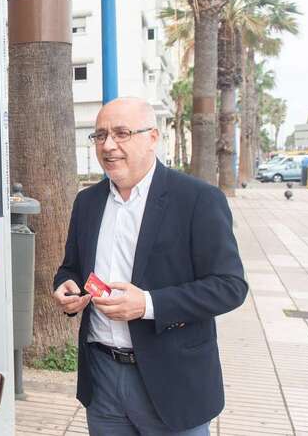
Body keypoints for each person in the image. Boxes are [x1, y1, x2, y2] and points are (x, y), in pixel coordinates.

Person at [53, 97, 247, 435]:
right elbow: (72, 267)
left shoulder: (197, 199)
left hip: (173, 380)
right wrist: (66, 286)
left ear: (153, 137)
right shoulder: (88, 202)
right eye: (99, 136)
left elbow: (230, 286)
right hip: (102, 378)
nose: (108, 145)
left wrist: (148, 305)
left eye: (122, 133)